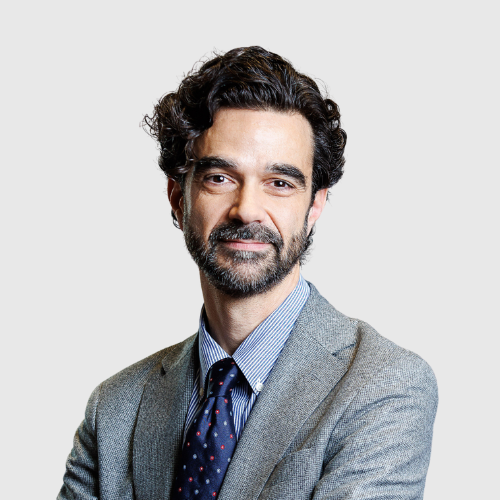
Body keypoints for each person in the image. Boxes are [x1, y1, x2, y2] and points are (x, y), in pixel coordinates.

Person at [58, 46, 438, 500]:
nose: (247, 210)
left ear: (314, 205)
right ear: (178, 198)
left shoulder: (384, 387)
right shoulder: (114, 411)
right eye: (220, 178)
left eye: (280, 183)